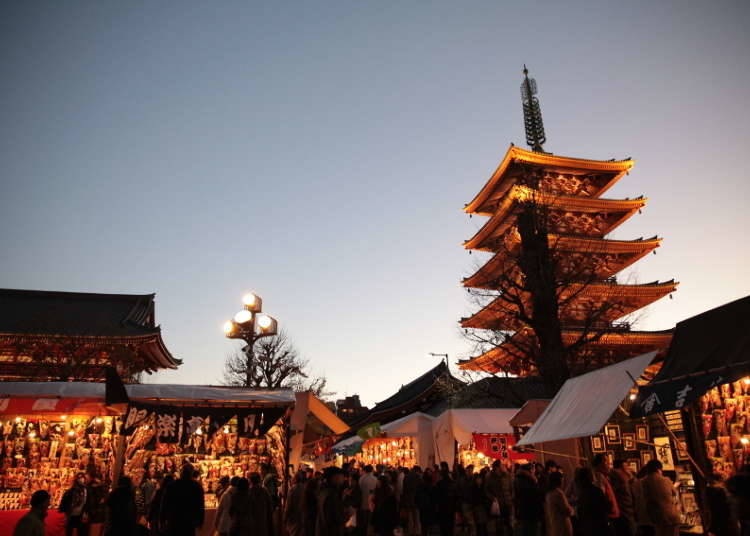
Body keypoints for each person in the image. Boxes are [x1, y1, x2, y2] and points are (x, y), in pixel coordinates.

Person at [161, 464, 205, 536]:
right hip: (189, 521)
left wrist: (162, 519)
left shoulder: (172, 485)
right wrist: (200, 521)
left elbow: (165, 503)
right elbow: (200, 505)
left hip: (175, 519)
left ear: (181, 473)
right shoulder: (197, 487)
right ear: (191, 473)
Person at [640, 460, 680, 536]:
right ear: (659, 469)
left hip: (657, 517)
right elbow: (674, 493)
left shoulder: (642, 482)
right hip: (671, 516)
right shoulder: (666, 480)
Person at [574, 467, 611, 536]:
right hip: (599, 526)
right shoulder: (596, 491)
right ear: (590, 477)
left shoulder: (582, 493)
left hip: (588, 528)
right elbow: (605, 507)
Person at [513, 463, 544, 536]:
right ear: (530, 470)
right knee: (531, 530)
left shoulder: (519, 478)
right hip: (531, 510)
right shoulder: (527, 479)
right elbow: (534, 493)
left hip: (524, 509)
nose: (535, 470)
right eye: (533, 469)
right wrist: (535, 481)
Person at [316, 467, 347, 536]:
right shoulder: (331, 495)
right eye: (342, 476)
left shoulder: (323, 491)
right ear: (335, 478)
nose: (343, 479)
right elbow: (334, 518)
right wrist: (346, 516)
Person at [484, 460, 512, 536]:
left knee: (509, 523)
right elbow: (486, 490)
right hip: (497, 504)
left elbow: (511, 488)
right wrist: (492, 498)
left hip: (507, 502)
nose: (503, 466)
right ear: (497, 467)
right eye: (501, 465)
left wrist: (512, 498)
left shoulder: (507, 475)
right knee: (499, 524)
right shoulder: (489, 476)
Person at [610, 460, 636, 536]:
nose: (628, 468)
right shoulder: (618, 475)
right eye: (626, 467)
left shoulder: (620, 477)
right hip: (625, 509)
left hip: (625, 510)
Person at [592, 455, 620, 525]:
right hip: (609, 516)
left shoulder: (604, 476)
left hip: (610, 515)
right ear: (599, 464)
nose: (608, 464)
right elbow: (601, 496)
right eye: (606, 461)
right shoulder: (599, 476)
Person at [544, 472, 573, 536]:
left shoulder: (548, 493)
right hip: (562, 525)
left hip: (554, 524)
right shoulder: (559, 493)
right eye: (562, 480)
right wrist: (572, 508)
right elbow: (567, 510)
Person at [434, 468, 457, 536]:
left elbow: (436, 496)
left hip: (442, 507)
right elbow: (455, 496)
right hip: (451, 507)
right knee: (450, 526)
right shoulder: (452, 483)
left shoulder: (439, 484)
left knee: (443, 526)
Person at [358, 465, 378, 536]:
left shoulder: (361, 479)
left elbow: (360, 489)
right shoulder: (375, 479)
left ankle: (364, 532)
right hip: (372, 501)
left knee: (364, 520)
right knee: (371, 519)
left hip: (363, 500)